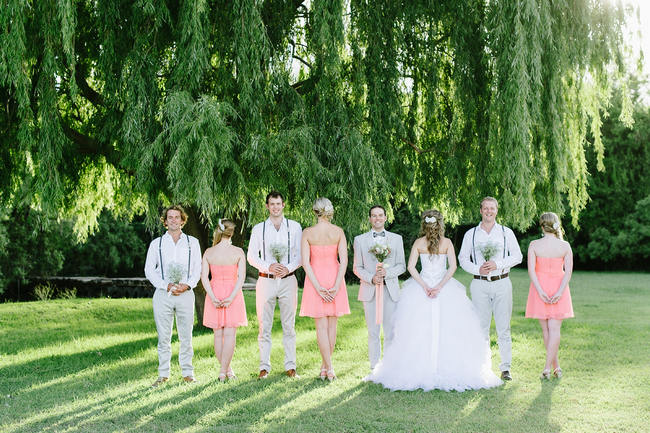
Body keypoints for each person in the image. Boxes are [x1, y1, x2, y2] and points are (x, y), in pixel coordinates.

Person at [366, 210, 502, 391]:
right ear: (440, 224)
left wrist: (423, 285)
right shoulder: (446, 243)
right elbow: (453, 266)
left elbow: (411, 267)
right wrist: (439, 286)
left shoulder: (419, 242)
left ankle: (421, 366)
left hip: (423, 288)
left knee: (418, 328)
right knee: (448, 329)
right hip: (442, 287)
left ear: (425, 224)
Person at [458, 197, 522, 381]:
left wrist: (497, 264)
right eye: (485, 208)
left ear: (496, 210)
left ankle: (506, 368)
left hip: (502, 281)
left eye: (492, 208)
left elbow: (517, 256)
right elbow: (463, 259)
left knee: (503, 327)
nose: (489, 211)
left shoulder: (505, 232)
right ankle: (483, 366)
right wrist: (477, 268)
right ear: (480, 211)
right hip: (479, 283)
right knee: (481, 326)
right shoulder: (471, 234)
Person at [144, 205, 202, 387]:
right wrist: (166, 285)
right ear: (165, 221)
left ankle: (188, 373)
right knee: (164, 336)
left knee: (186, 335)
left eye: (177, 217)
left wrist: (187, 285)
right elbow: (149, 270)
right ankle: (163, 375)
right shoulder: (157, 244)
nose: (174, 220)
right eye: (170, 217)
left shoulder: (192, 243)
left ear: (183, 221)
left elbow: (197, 269)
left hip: (186, 294)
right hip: (163, 294)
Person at [247, 192, 303, 379]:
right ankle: (264, 367)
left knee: (289, 325)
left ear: (284, 205)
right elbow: (251, 256)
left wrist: (287, 268)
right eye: (272, 204)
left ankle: (291, 366)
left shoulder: (294, 227)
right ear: (267, 206)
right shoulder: (259, 229)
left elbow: (301, 255)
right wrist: (269, 267)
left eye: (278, 204)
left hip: (288, 280)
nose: (276, 207)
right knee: (264, 326)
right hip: (266, 280)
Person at [299, 198, 350, 381]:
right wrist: (336, 285)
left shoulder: (308, 233)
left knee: (321, 327)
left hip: (316, 279)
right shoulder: (338, 232)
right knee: (332, 326)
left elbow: (305, 262)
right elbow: (343, 260)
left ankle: (327, 368)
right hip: (334, 277)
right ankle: (327, 368)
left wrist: (318, 287)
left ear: (315, 211)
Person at [353, 205, 406, 371]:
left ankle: (389, 366)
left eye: (380, 215)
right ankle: (375, 366)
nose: (377, 218)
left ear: (385, 218)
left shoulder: (397, 239)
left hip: (390, 290)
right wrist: (371, 277)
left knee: (391, 331)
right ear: (369, 219)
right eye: (374, 216)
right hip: (370, 291)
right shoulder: (360, 240)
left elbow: (402, 266)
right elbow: (357, 267)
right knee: (373, 332)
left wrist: (387, 273)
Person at [525, 212, 574, 379]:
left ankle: (548, 367)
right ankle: (556, 367)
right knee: (554, 329)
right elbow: (568, 272)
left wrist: (539, 290)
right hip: (558, 287)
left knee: (546, 329)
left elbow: (531, 270)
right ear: (556, 225)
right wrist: (560, 291)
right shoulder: (565, 246)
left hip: (540, 287)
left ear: (541, 226)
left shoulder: (534, 244)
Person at [201, 219, 248, 382]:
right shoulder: (238, 252)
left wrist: (213, 297)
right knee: (229, 335)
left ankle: (226, 371)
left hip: (215, 292)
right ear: (232, 233)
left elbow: (204, 278)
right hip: (232, 293)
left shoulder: (209, 252)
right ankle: (224, 371)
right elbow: (240, 278)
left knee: (218, 334)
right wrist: (231, 297)